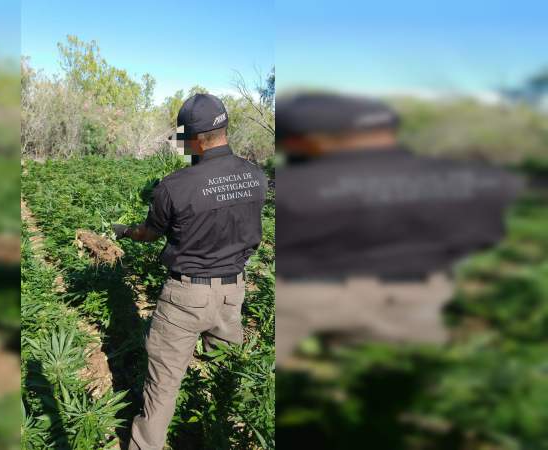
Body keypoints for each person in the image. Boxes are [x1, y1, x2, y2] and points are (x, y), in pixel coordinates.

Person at [274, 92, 524, 367]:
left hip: (300, 297)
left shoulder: (292, 189)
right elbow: (485, 238)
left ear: (311, 140)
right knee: (401, 387)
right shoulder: (484, 181)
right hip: (413, 300)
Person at [113, 93, 267, 450]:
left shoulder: (174, 186)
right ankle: (225, 438)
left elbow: (150, 234)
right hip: (233, 293)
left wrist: (128, 231)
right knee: (227, 374)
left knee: (163, 386)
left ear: (194, 138)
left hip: (186, 297)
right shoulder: (256, 176)